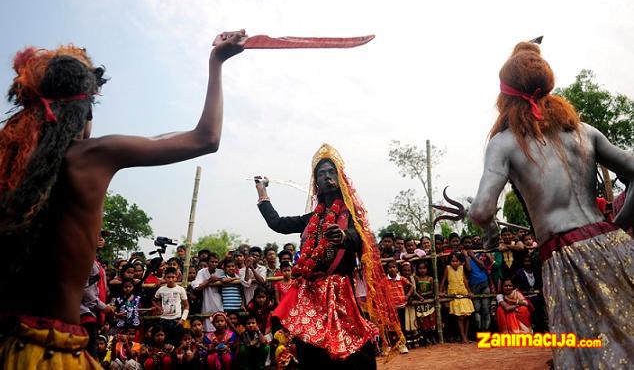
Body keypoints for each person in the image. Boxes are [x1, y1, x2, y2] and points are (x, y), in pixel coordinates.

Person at [0, 31, 246, 368]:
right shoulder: (93, 155)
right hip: (55, 354)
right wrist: (216, 62)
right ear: (85, 114)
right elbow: (206, 137)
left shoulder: (9, 166)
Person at [468, 40, 634, 367]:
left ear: (506, 95)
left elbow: (483, 210)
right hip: (615, 247)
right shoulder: (584, 132)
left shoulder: (503, 143)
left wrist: (485, 228)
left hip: (567, 256)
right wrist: (618, 227)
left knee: (586, 352)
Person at [255, 144, 402, 367]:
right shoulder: (310, 218)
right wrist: (262, 191)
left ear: (340, 177)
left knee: (352, 348)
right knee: (309, 348)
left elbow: (360, 239)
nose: (326, 176)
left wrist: (343, 235)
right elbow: (277, 223)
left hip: (339, 290)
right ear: (316, 182)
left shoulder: (351, 215)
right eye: (321, 173)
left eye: (331, 172)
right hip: (310, 292)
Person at [439, 253, 474, 343]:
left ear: (460, 262)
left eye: (456, 261)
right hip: (453, 294)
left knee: (467, 315)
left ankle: (466, 336)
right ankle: (463, 337)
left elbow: (465, 281)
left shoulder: (461, 268)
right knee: (460, 317)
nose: (454, 263)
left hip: (463, 292)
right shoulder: (448, 268)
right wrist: (441, 291)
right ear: (450, 262)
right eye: (452, 261)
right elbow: (443, 280)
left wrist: (469, 291)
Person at [153, 266, 189, 345]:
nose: (170, 279)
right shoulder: (161, 289)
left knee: (177, 342)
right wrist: (158, 307)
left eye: (173, 277)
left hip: (177, 320)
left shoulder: (180, 289)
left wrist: (183, 319)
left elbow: (186, 306)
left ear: (176, 277)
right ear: (164, 278)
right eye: (168, 277)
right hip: (164, 320)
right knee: (165, 342)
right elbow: (154, 300)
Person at [191, 251, 224, 332]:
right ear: (208, 262)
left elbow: (225, 280)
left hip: (218, 301)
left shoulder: (220, 272)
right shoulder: (202, 272)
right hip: (206, 301)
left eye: (216, 262)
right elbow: (196, 287)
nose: (214, 264)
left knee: (220, 324)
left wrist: (219, 279)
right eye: (212, 261)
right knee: (207, 326)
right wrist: (209, 280)